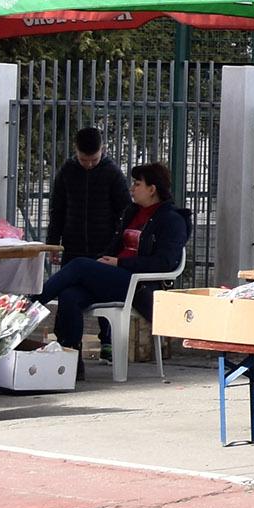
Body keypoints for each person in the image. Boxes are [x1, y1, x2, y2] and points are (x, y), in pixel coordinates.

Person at [39, 161, 188, 354]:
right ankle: (70, 359)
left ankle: (29, 305)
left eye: (137, 184)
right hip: (116, 278)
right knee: (70, 296)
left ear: (152, 189)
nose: (132, 188)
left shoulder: (172, 220)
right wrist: (105, 261)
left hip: (140, 285)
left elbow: (166, 263)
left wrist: (120, 263)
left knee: (79, 265)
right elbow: (115, 246)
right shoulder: (132, 212)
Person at [46, 126, 131, 265]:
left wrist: (118, 244)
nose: (89, 164)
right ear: (76, 150)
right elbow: (57, 210)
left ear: (102, 150)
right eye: (83, 160)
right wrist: (53, 243)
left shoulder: (112, 173)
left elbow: (125, 210)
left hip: (104, 248)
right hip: (72, 247)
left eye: (94, 159)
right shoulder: (67, 171)